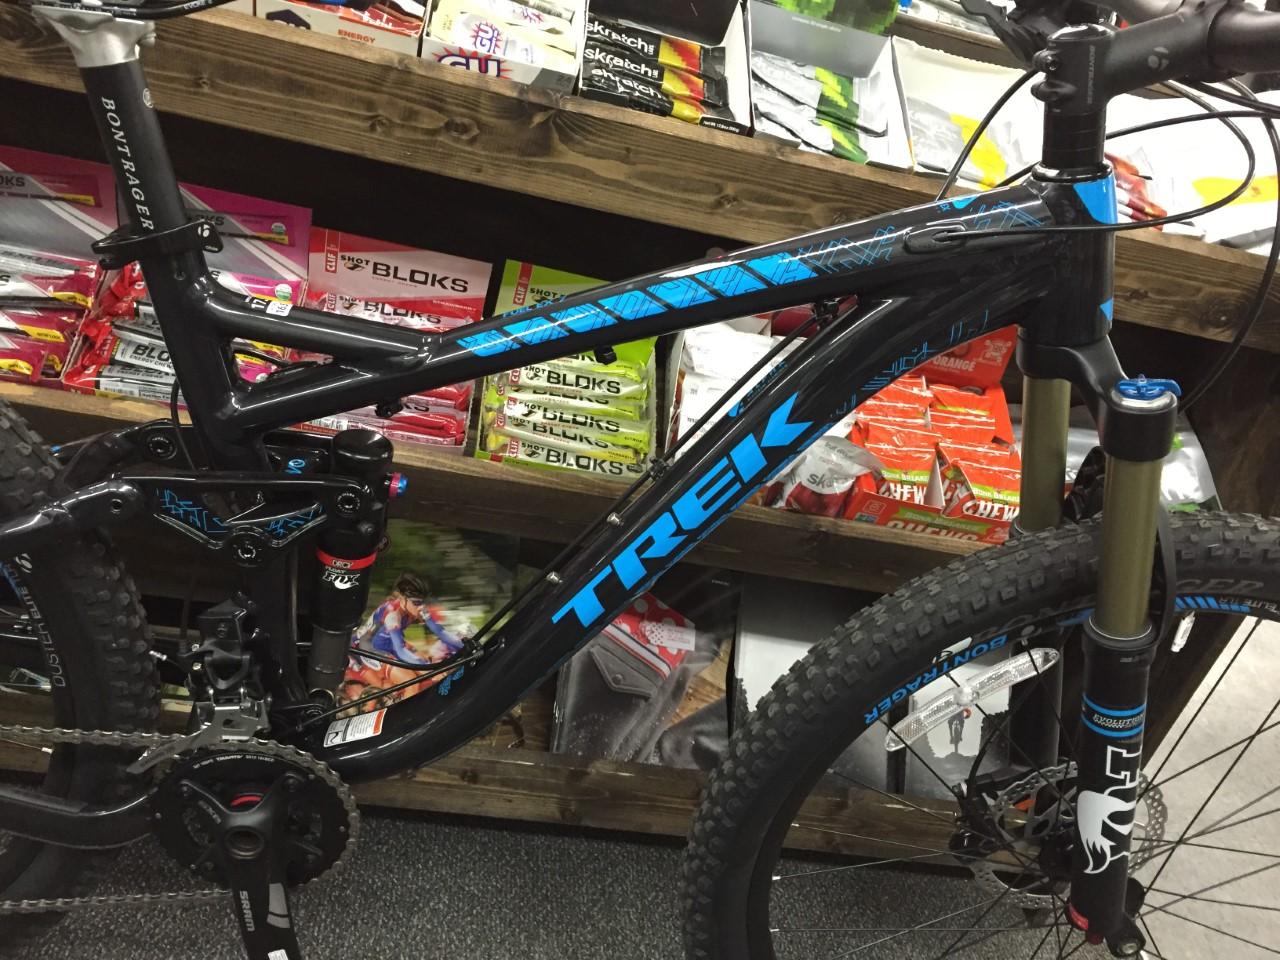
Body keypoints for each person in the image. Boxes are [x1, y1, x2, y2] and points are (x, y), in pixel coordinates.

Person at [350, 572, 468, 698]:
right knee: (412, 682)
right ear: (402, 599)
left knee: (425, 659)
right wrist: (430, 670)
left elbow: (439, 631)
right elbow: (400, 651)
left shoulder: (414, 607)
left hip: (390, 642)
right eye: (416, 603)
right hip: (371, 648)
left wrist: (463, 646)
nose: (420, 607)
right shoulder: (393, 616)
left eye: (422, 602)